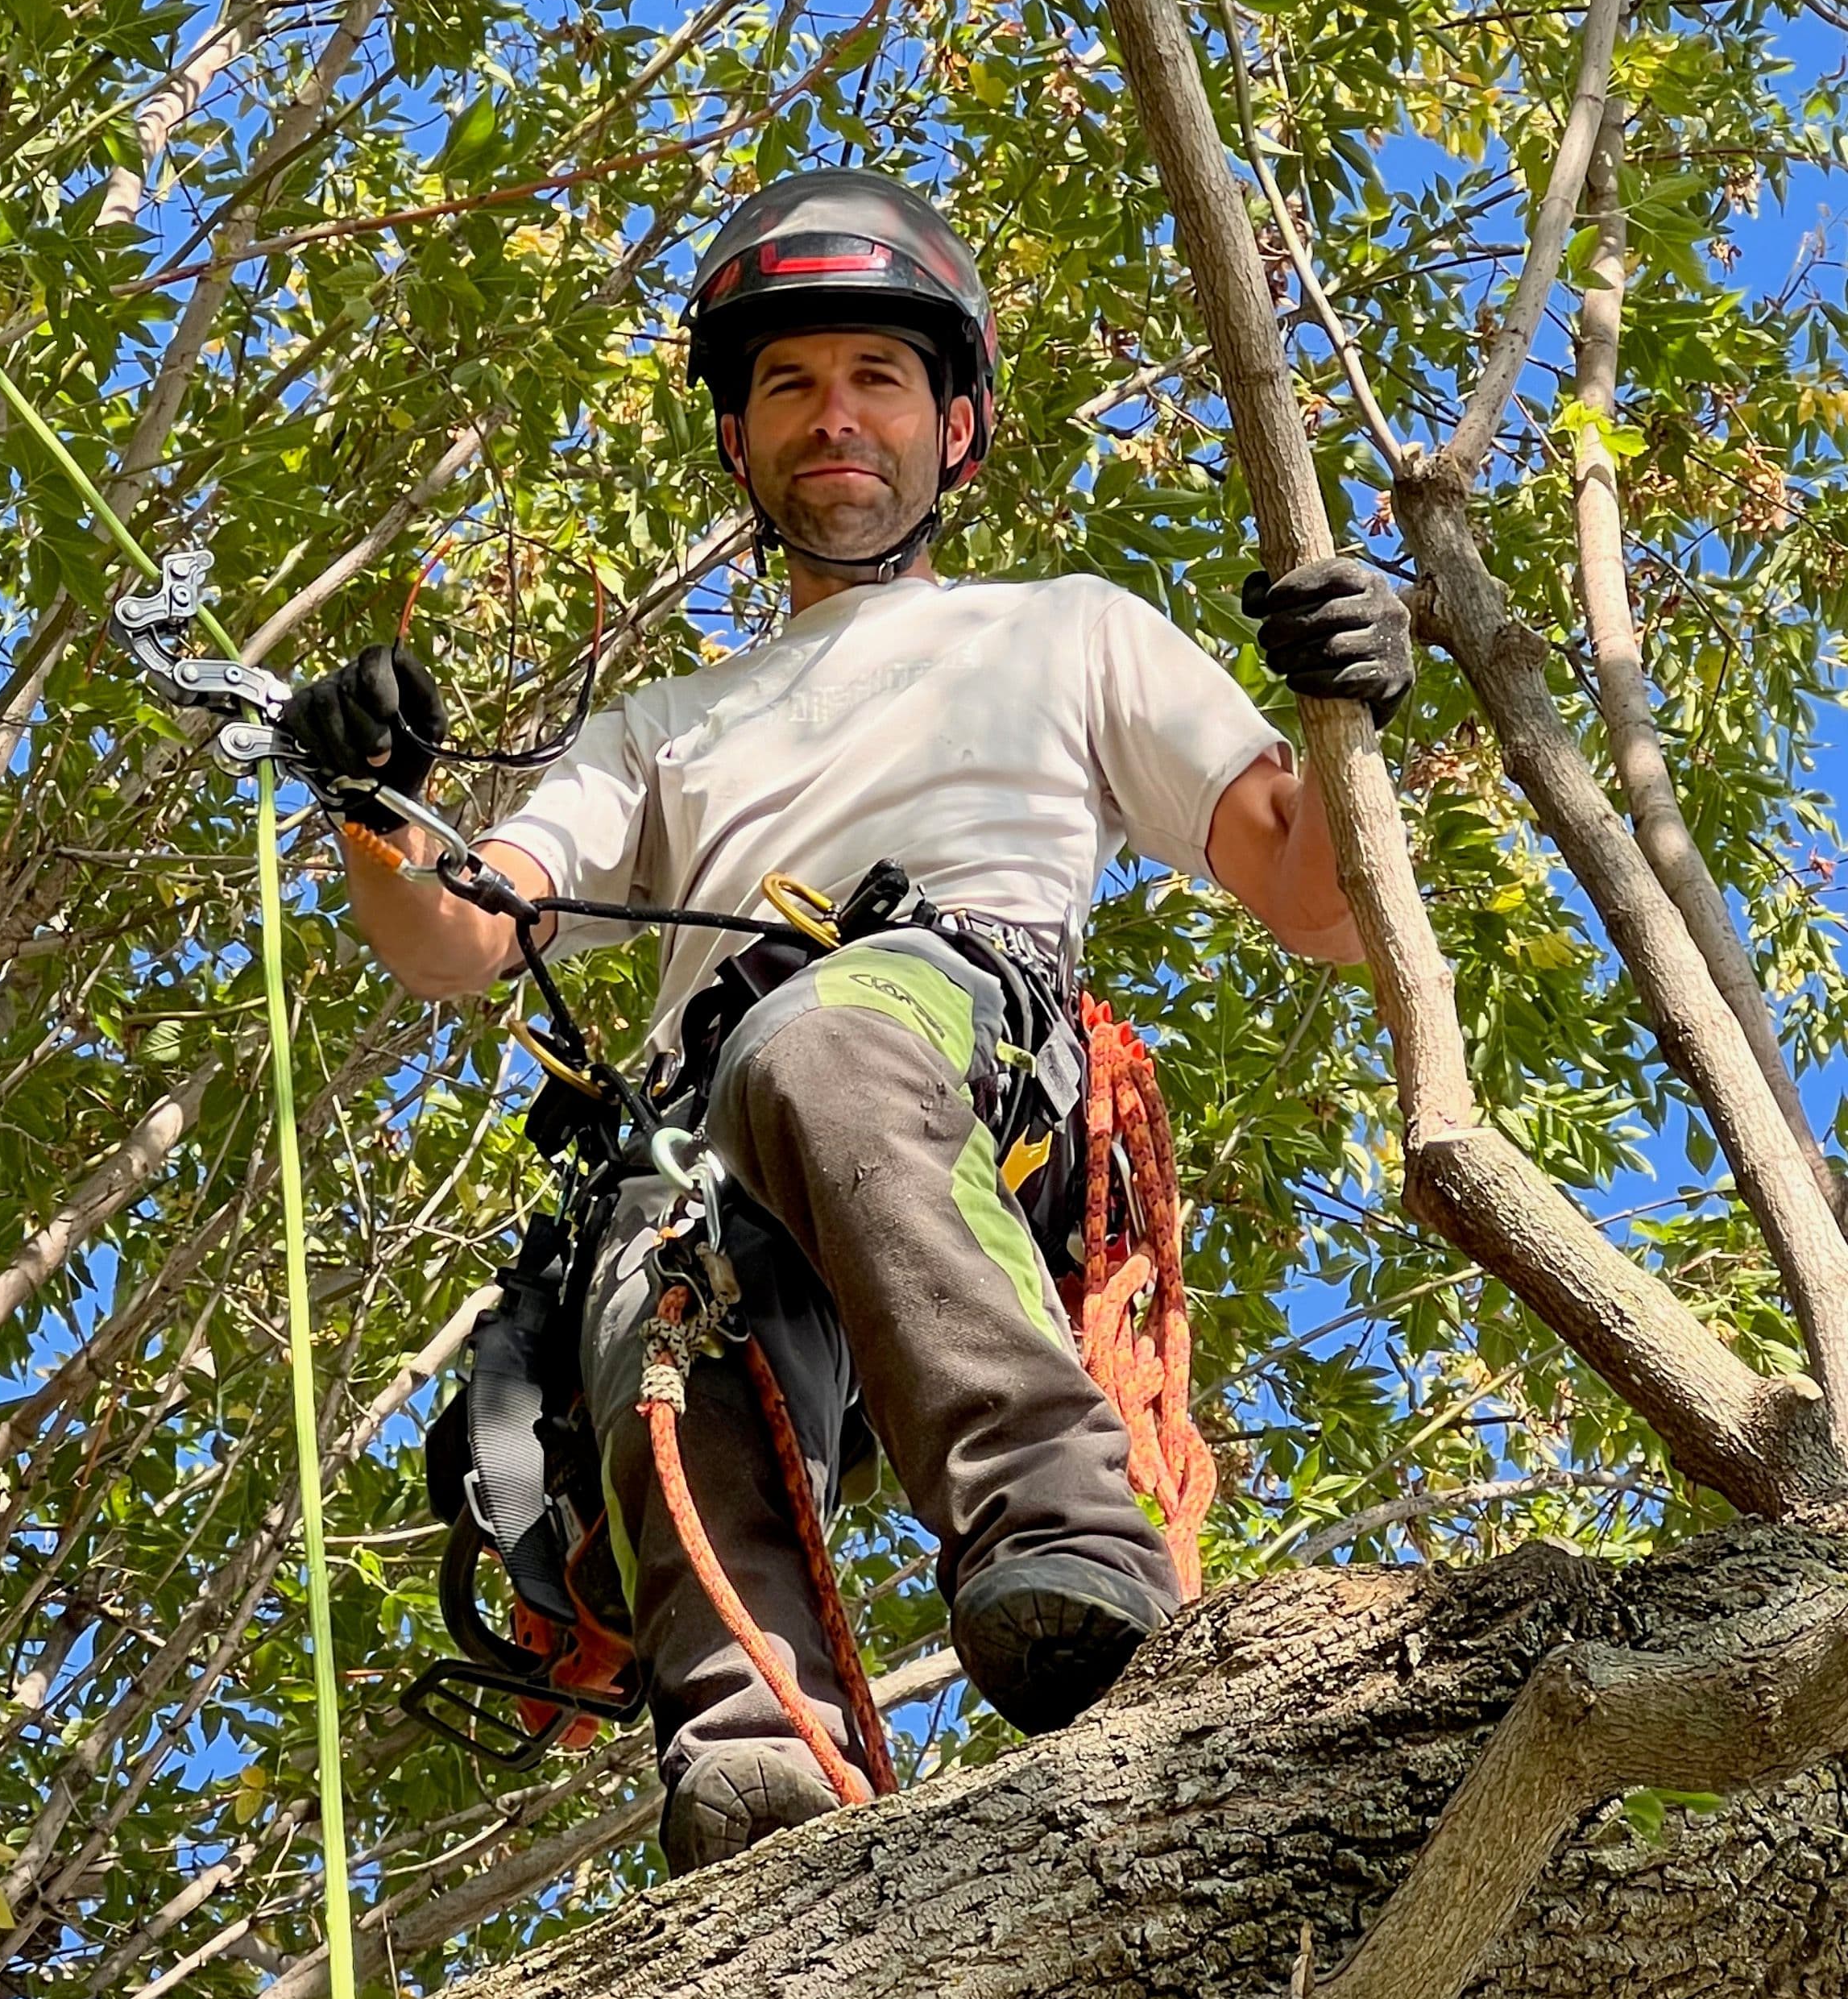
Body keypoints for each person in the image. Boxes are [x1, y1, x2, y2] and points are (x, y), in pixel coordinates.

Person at [282, 170, 1410, 1870]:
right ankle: (760, 1754)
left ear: (955, 428)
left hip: (949, 1033)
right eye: (791, 385)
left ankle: (1058, 1522)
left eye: (877, 378)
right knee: (655, 1322)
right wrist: (374, 806)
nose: (834, 419)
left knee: (820, 1045)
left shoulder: (1063, 630)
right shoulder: (663, 725)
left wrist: (1349, 709)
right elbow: (461, 936)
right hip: (708, 1113)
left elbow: (1317, 901)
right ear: (741, 440)